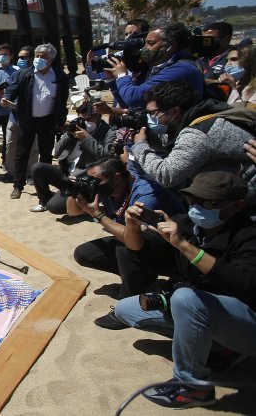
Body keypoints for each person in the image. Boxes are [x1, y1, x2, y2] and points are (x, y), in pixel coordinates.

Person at [109, 172, 255, 409]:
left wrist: (185, 246)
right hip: (203, 312)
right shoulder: (186, 224)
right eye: (193, 200)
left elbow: (244, 285)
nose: (197, 207)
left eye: (209, 203)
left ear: (236, 205)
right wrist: (133, 226)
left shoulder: (247, 236)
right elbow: (140, 251)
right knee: (125, 309)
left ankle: (194, 388)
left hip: (244, 322)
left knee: (186, 299)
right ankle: (216, 349)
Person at [68, 156, 184, 303]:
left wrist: (98, 214)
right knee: (84, 253)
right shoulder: (107, 188)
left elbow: (136, 239)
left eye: (96, 180)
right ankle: (143, 278)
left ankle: (129, 298)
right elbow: (72, 212)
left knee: (123, 247)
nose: (93, 184)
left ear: (116, 177)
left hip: (172, 252)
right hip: (138, 242)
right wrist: (75, 191)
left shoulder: (146, 194)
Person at [131, 80, 252, 189]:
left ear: (174, 111)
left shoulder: (197, 134)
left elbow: (166, 175)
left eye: (153, 113)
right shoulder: (203, 113)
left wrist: (140, 146)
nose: (150, 118)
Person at [0, 43, 70, 199]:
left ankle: (42, 187)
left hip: (47, 122)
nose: (38, 59)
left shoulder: (60, 77)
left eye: (42, 57)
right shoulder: (24, 74)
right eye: (37, 56)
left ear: (50, 59)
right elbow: (12, 90)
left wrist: (60, 121)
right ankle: (18, 186)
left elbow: (62, 101)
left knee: (45, 156)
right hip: (26, 120)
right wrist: (7, 99)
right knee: (21, 154)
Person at [29, 102, 115, 213]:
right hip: (66, 174)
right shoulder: (76, 128)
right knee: (38, 168)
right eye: (82, 119)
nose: (85, 122)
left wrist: (87, 138)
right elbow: (56, 153)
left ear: (98, 116)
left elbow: (106, 156)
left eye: (88, 119)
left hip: (84, 179)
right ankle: (45, 201)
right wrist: (69, 134)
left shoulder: (108, 131)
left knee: (54, 207)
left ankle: (84, 207)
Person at [104, 23, 204, 109]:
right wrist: (113, 80)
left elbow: (134, 98)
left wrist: (122, 75)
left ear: (171, 46)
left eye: (150, 43)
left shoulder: (182, 69)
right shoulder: (156, 68)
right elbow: (128, 104)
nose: (144, 48)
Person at [3, 45, 38, 182]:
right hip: (14, 117)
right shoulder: (16, 74)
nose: (20, 60)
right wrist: (6, 99)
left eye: (23, 57)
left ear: (31, 58)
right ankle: (11, 172)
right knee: (10, 146)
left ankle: (30, 174)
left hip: (30, 119)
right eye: (19, 57)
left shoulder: (37, 76)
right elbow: (9, 92)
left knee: (32, 148)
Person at [201, 21, 235, 100]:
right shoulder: (201, 58)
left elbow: (232, 82)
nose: (206, 42)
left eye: (210, 39)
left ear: (226, 39)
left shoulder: (235, 58)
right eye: (203, 39)